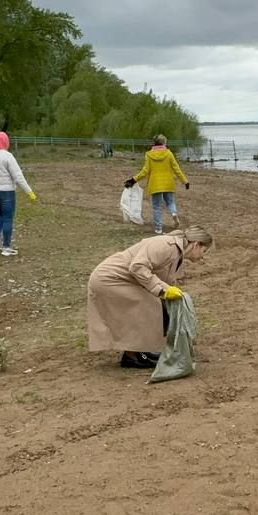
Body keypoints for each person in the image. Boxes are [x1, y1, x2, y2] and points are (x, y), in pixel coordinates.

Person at [86, 225, 214, 369]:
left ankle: (140, 351)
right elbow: (138, 267)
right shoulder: (167, 246)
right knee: (148, 306)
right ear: (196, 245)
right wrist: (162, 290)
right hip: (110, 279)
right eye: (204, 251)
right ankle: (133, 356)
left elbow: (162, 277)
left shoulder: (176, 252)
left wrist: (168, 291)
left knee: (154, 305)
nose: (203, 256)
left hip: (121, 279)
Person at [125, 134, 189, 235]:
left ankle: (158, 229)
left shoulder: (149, 154)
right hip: (168, 183)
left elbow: (145, 171)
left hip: (155, 185)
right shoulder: (169, 153)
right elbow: (177, 169)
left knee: (157, 207)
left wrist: (133, 180)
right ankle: (173, 213)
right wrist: (185, 181)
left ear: (154, 143)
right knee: (170, 202)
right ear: (164, 143)